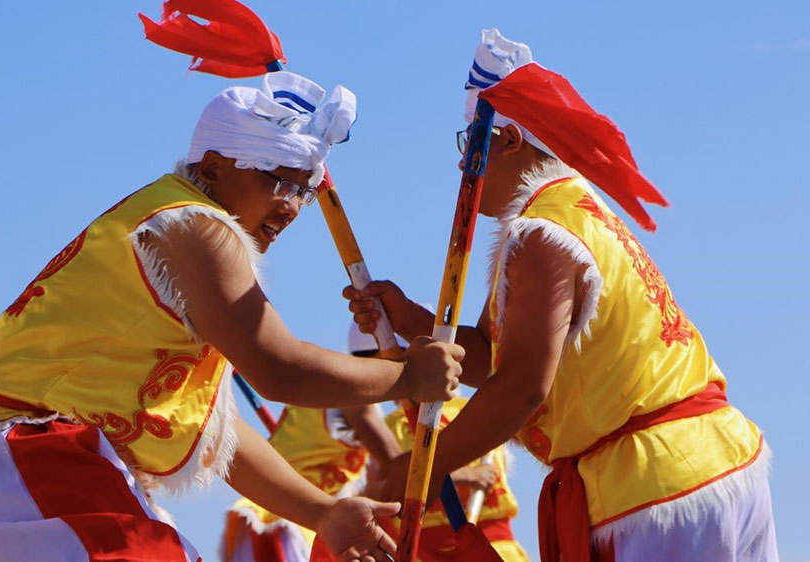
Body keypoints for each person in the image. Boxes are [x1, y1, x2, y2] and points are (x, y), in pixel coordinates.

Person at [0, 68, 463, 562]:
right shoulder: (198, 226)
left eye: (305, 189)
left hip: (16, 469)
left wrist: (321, 511)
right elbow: (280, 368)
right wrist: (407, 376)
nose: (293, 206)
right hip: (28, 457)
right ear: (213, 167)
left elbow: (218, 432)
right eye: (280, 181)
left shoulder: (178, 233)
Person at [345, 29, 778, 562]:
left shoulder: (541, 232)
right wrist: (409, 317)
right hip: (703, 464)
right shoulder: (568, 212)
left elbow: (524, 385)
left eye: (469, 145)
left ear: (507, 142)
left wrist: (426, 467)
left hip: (657, 486)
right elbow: (494, 355)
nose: (463, 166)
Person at [221, 324, 406, 562]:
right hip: (289, 522)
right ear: (384, 354)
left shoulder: (335, 383)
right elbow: (399, 469)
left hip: (288, 513)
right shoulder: (351, 391)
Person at [384, 395, 530, 562]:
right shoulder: (480, 409)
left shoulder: (478, 411)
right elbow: (389, 489)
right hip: (421, 548)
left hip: (489, 542)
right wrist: (466, 474)